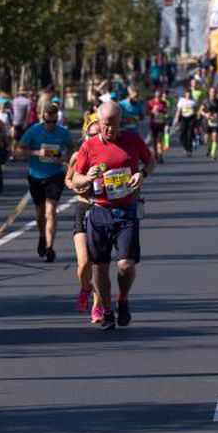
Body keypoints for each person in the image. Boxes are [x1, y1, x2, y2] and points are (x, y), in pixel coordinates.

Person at [70, 101, 155, 330]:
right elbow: (75, 179)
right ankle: (107, 310)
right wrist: (87, 178)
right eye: (106, 125)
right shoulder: (89, 147)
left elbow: (150, 160)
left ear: (121, 122)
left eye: (114, 125)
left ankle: (123, 300)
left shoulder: (132, 140)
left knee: (126, 265)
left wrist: (142, 174)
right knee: (99, 266)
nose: (109, 130)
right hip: (99, 210)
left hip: (126, 210)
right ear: (99, 122)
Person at [16, 103, 72, 263]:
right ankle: (42, 236)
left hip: (55, 175)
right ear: (43, 118)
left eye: (54, 122)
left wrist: (65, 157)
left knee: (51, 210)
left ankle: (49, 247)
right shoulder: (33, 131)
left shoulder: (63, 133)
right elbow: (18, 151)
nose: (51, 125)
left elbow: (72, 148)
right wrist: (36, 152)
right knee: (40, 213)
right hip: (36, 176)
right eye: (48, 122)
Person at [65, 113, 101, 321]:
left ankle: (97, 307)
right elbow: (68, 180)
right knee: (84, 263)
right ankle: (85, 287)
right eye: (92, 133)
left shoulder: (107, 155)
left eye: (99, 134)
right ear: (85, 133)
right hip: (82, 207)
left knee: (97, 263)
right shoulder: (77, 155)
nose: (95, 137)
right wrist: (77, 185)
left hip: (101, 209)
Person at [199, 87, 218, 162]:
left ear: (216, 93)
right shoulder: (205, 101)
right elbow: (200, 111)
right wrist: (205, 114)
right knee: (206, 138)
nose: (213, 93)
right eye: (211, 92)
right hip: (206, 121)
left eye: (214, 92)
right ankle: (208, 148)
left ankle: (213, 154)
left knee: (215, 137)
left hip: (215, 122)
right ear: (209, 93)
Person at [172, 88, 198, 157]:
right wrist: (176, 118)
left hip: (191, 118)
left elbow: (196, 110)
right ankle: (184, 146)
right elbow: (178, 110)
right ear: (185, 94)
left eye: (189, 94)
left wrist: (194, 112)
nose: (188, 95)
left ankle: (189, 149)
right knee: (183, 132)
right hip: (183, 118)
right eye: (187, 94)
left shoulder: (193, 101)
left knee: (190, 133)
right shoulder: (181, 101)